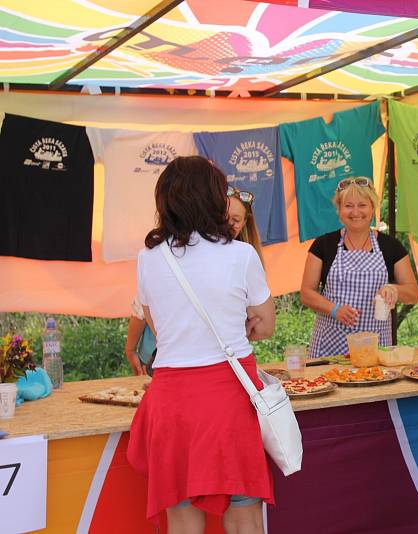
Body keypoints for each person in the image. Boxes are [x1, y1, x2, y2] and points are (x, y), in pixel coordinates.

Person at [127, 156, 277, 534]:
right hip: (230, 395)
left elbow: (159, 327)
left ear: (166, 200)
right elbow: (266, 324)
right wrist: (236, 326)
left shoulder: (148, 258)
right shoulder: (241, 254)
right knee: (244, 514)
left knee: (180, 517)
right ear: (215, 199)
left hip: (172, 398)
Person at [121, 185, 264, 377]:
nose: (228, 223)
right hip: (174, 360)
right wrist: (131, 348)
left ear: (245, 223)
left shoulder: (244, 255)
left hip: (222, 360)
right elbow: (141, 308)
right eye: (223, 216)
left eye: (236, 220)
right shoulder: (184, 250)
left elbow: (262, 323)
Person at [300, 177, 418, 358]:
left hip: (376, 348)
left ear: (372, 208)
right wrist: (334, 309)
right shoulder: (323, 245)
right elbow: (307, 293)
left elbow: (413, 294)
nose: (355, 212)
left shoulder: (391, 247)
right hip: (330, 348)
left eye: (362, 205)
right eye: (348, 206)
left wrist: (394, 290)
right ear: (339, 210)